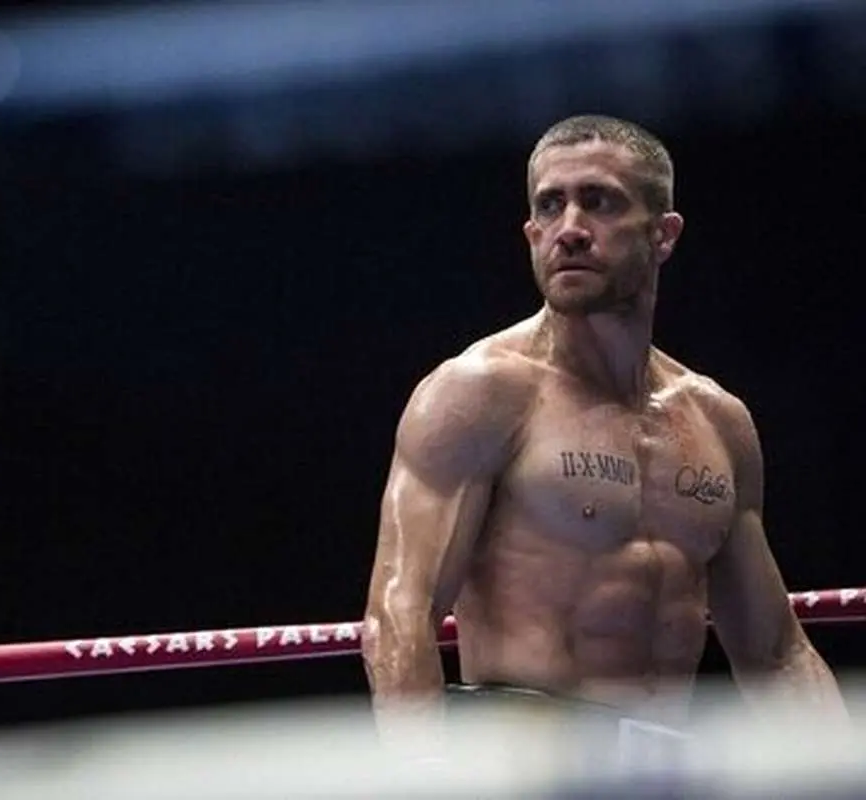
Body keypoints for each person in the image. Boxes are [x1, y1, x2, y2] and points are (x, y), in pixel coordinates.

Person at [361, 115, 848, 755]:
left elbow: (776, 653)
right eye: (550, 206)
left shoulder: (718, 423)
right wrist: (422, 780)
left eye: (599, 202)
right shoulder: (479, 393)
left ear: (663, 233)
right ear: (531, 234)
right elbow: (399, 615)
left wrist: (844, 772)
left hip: (661, 769)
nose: (570, 228)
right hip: (520, 763)